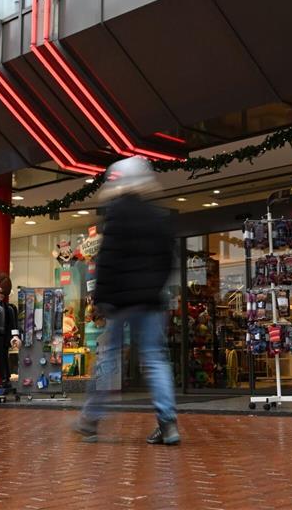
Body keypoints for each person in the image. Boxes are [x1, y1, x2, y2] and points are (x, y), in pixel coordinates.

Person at [73, 157, 179, 445]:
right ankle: (168, 423)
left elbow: (108, 260)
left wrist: (101, 298)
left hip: (120, 303)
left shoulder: (116, 214)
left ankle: (90, 420)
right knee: (155, 359)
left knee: (108, 359)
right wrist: (155, 288)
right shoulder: (157, 216)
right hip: (151, 302)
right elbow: (168, 259)